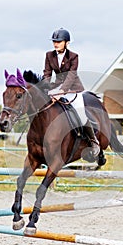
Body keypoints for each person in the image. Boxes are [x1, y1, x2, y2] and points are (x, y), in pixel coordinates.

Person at [42, 28, 100, 159]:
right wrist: (45, 88)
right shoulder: (49, 55)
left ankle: (94, 141)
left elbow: (71, 77)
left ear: (66, 43)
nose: (56, 44)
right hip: (56, 88)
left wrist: (61, 92)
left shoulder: (74, 56)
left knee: (81, 114)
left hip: (73, 89)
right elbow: (47, 73)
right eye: (54, 41)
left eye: (59, 41)